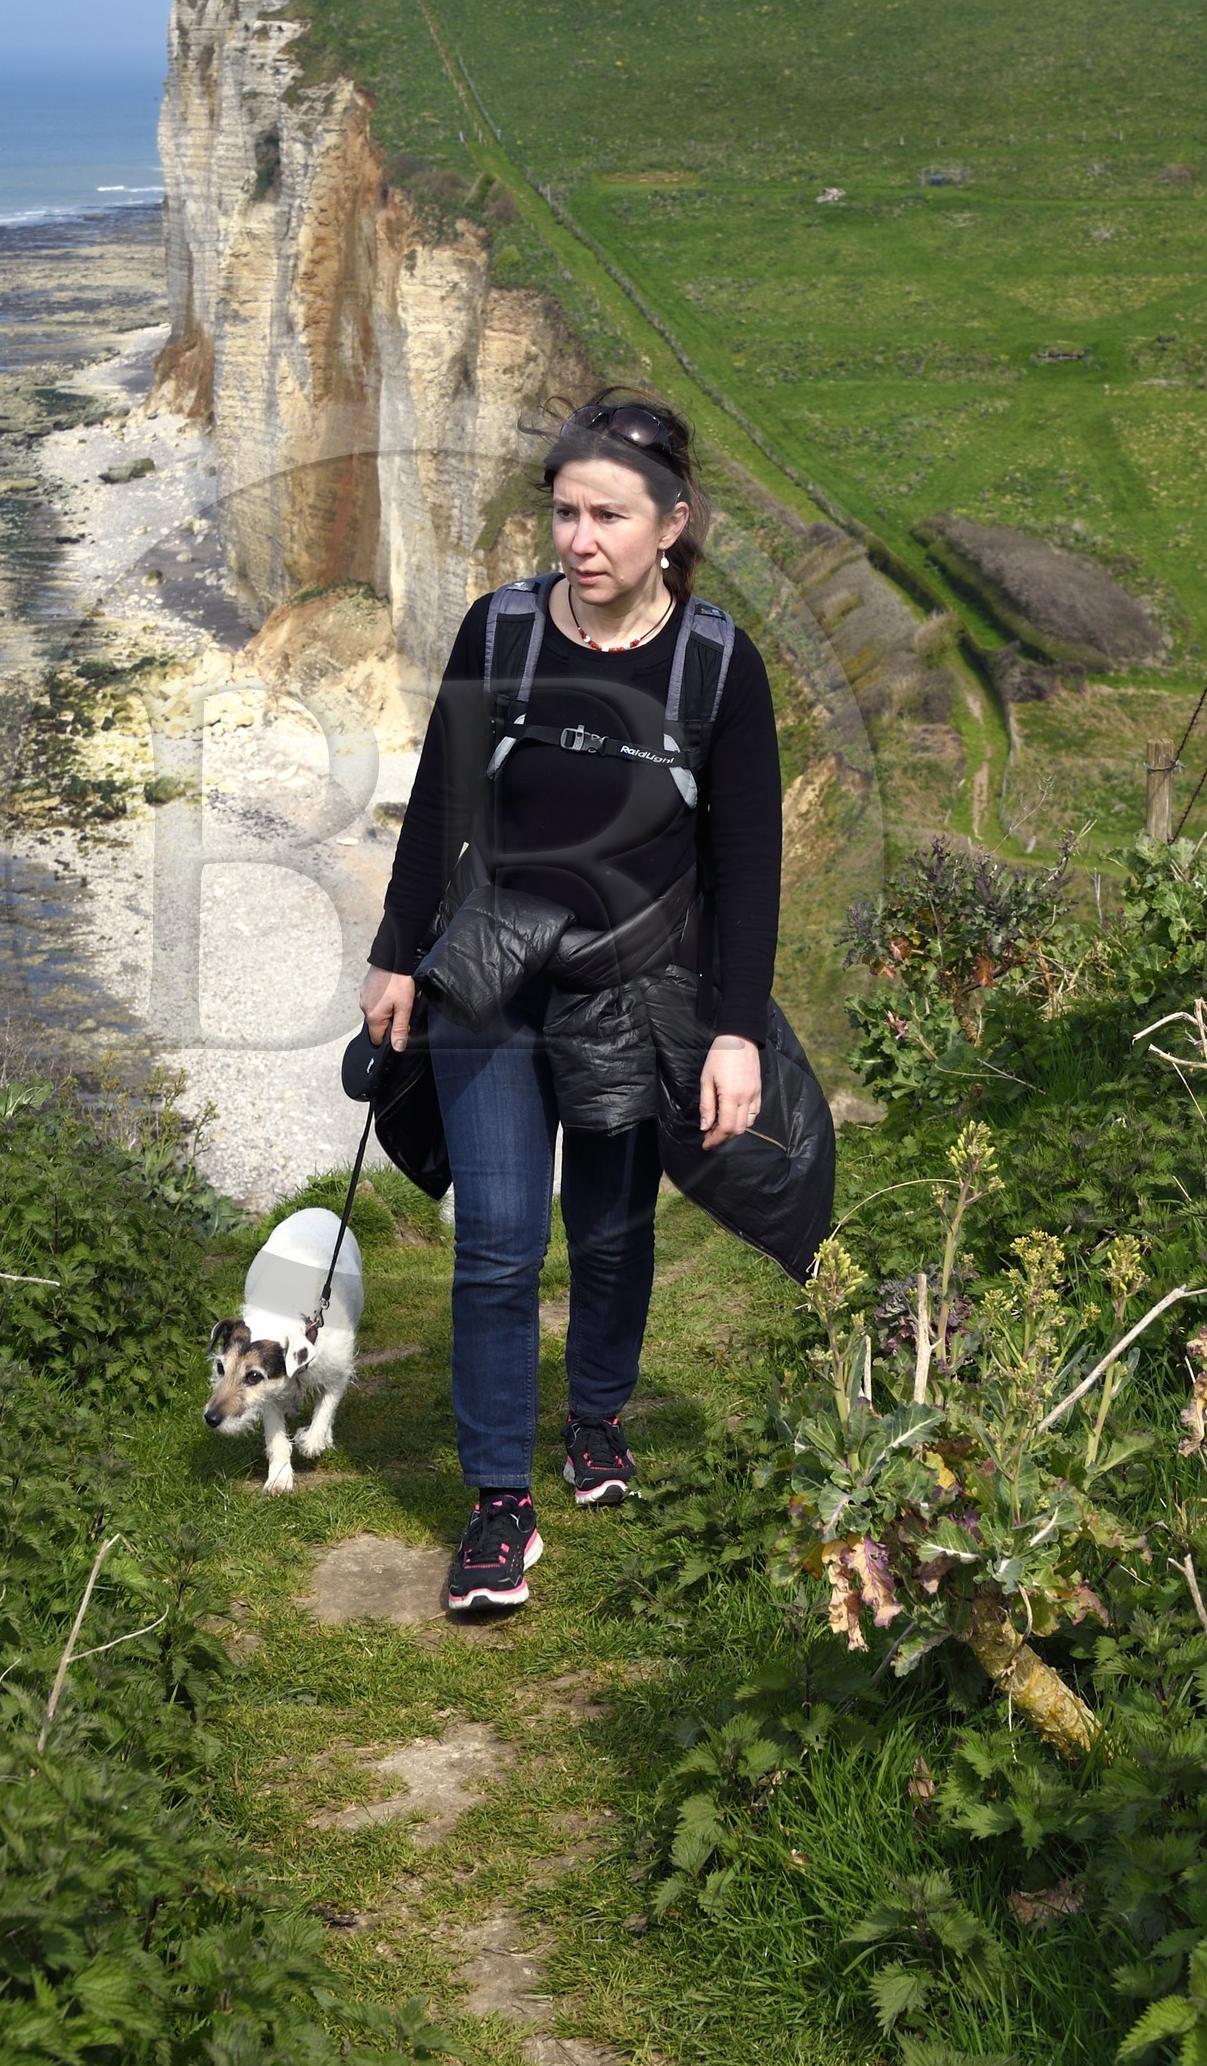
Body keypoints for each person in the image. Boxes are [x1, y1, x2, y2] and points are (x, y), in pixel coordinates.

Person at [358, 393, 783, 1616]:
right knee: (497, 1241)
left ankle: (596, 1413)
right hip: (488, 984)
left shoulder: (717, 665)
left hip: (634, 992)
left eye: (608, 516)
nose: (579, 540)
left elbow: (745, 865)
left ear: (671, 525)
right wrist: (395, 953)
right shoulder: (499, 632)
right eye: (563, 513)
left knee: (607, 1229)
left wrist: (735, 1029)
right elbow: (440, 802)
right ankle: (500, 1504)